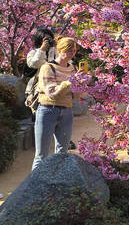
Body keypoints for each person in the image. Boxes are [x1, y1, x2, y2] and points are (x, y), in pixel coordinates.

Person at [32, 37, 82, 170]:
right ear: (60, 50)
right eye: (69, 50)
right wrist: (70, 82)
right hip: (48, 110)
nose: (72, 53)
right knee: (41, 154)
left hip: (66, 111)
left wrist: (82, 84)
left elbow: (76, 96)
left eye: (74, 51)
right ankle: (32, 187)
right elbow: (52, 92)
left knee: (62, 152)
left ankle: (57, 184)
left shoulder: (73, 69)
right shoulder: (47, 67)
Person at [24, 27, 57, 99]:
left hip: (55, 86)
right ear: (39, 40)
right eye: (45, 39)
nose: (48, 41)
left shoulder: (56, 52)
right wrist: (42, 49)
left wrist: (56, 48)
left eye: (50, 38)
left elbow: (61, 64)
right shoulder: (33, 53)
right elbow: (34, 64)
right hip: (37, 87)